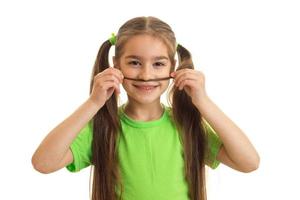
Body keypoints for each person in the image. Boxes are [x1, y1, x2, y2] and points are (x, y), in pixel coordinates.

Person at [31, 16, 260, 200]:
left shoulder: (186, 126)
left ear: (174, 67)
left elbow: (249, 162)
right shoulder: (103, 127)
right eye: (134, 62)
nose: (147, 75)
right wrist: (94, 103)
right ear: (116, 66)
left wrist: (203, 101)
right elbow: (43, 163)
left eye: (158, 64)